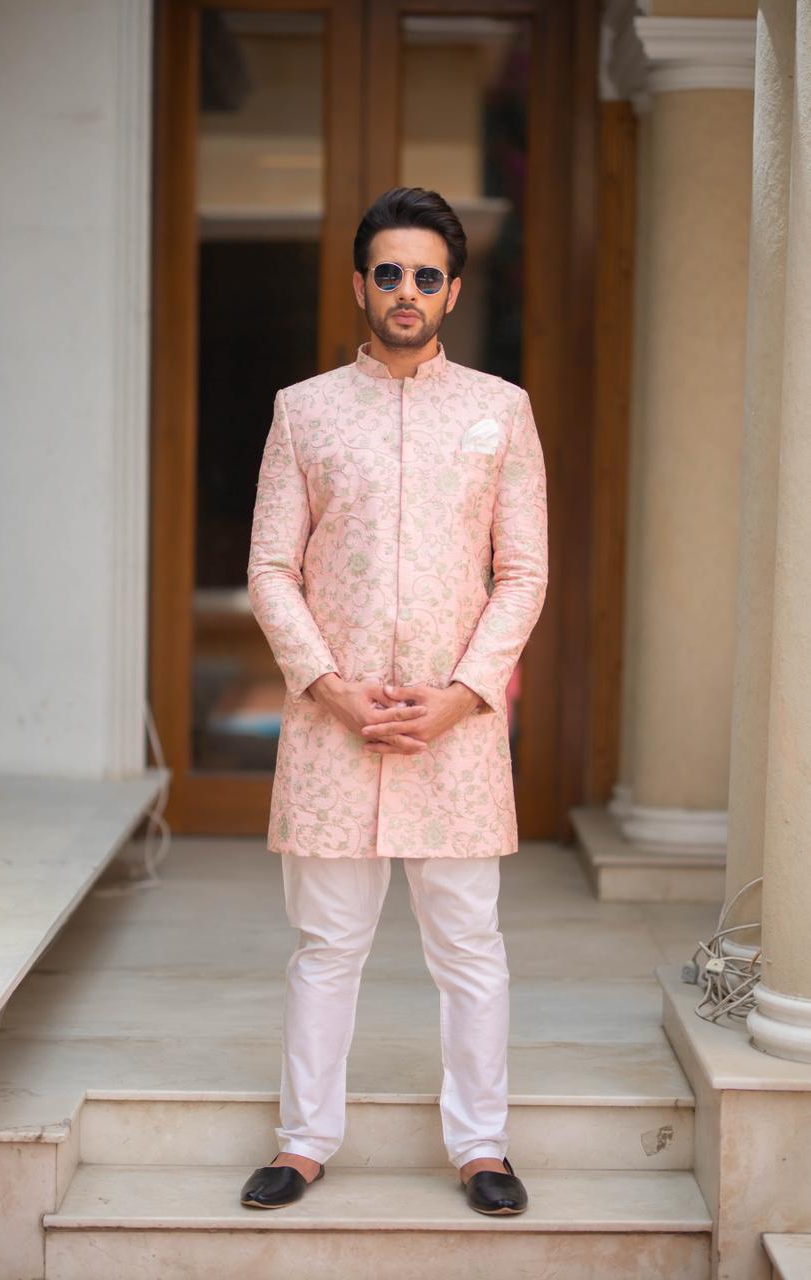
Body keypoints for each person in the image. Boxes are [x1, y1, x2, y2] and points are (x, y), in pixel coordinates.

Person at [241, 187, 548, 1215]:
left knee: (468, 945)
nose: (405, 290)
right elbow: (272, 567)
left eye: (425, 275)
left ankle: (481, 1147)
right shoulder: (305, 410)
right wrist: (329, 688)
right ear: (360, 285)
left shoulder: (501, 410)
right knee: (327, 946)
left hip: (455, 732)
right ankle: (304, 1142)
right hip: (334, 729)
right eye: (389, 272)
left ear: (452, 291)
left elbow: (524, 574)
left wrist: (465, 695)